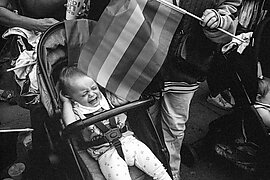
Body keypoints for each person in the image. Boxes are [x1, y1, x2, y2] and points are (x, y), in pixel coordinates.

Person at [146, 0, 242, 179]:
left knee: (173, 129)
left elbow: (230, 14)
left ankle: (171, 174)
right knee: (147, 124)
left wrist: (218, 20)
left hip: (188, 66)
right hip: (149, 60)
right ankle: (148, 169)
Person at [59, 66, 172, 180]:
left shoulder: (106, 97)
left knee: (157, 168)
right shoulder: (77, 111)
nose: (92, 94)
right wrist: (66, 103)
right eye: (84, 94)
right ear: (71, 97)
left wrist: (108, 85)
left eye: (94, 88)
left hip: (128, 141)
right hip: (106, 153)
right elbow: (70, 125)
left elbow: (124, 99)